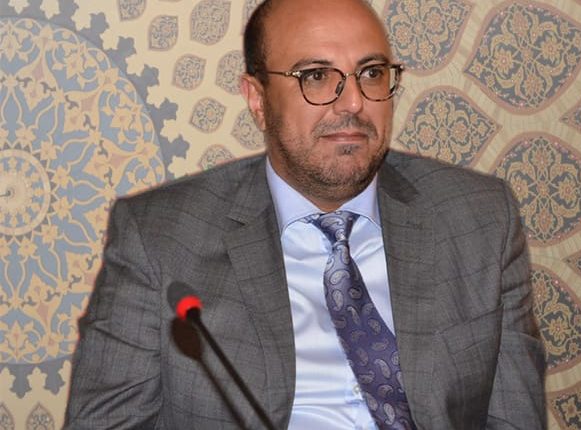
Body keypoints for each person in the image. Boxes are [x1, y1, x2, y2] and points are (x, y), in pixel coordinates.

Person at [64, 0, 546, 428]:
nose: (354, 102)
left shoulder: (481, 217)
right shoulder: (159, 237)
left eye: (371, 73)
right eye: (316, 75)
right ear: (257, 99)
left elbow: (514, 417)